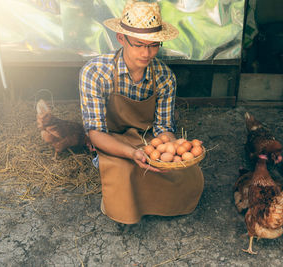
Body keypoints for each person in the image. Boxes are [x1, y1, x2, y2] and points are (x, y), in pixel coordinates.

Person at [79, 0, 204, 224]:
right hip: (113, 140)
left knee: (187, 174)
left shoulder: (165, 77)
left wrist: (172, 149)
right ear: (121, 38)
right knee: (124, 169)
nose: (146, 53)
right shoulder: (95, 72)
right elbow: (95, 133)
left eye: (153, 45)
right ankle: (109, 170)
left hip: (148, 140)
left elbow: (164, 128)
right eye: (138, 44)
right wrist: (131, 153)